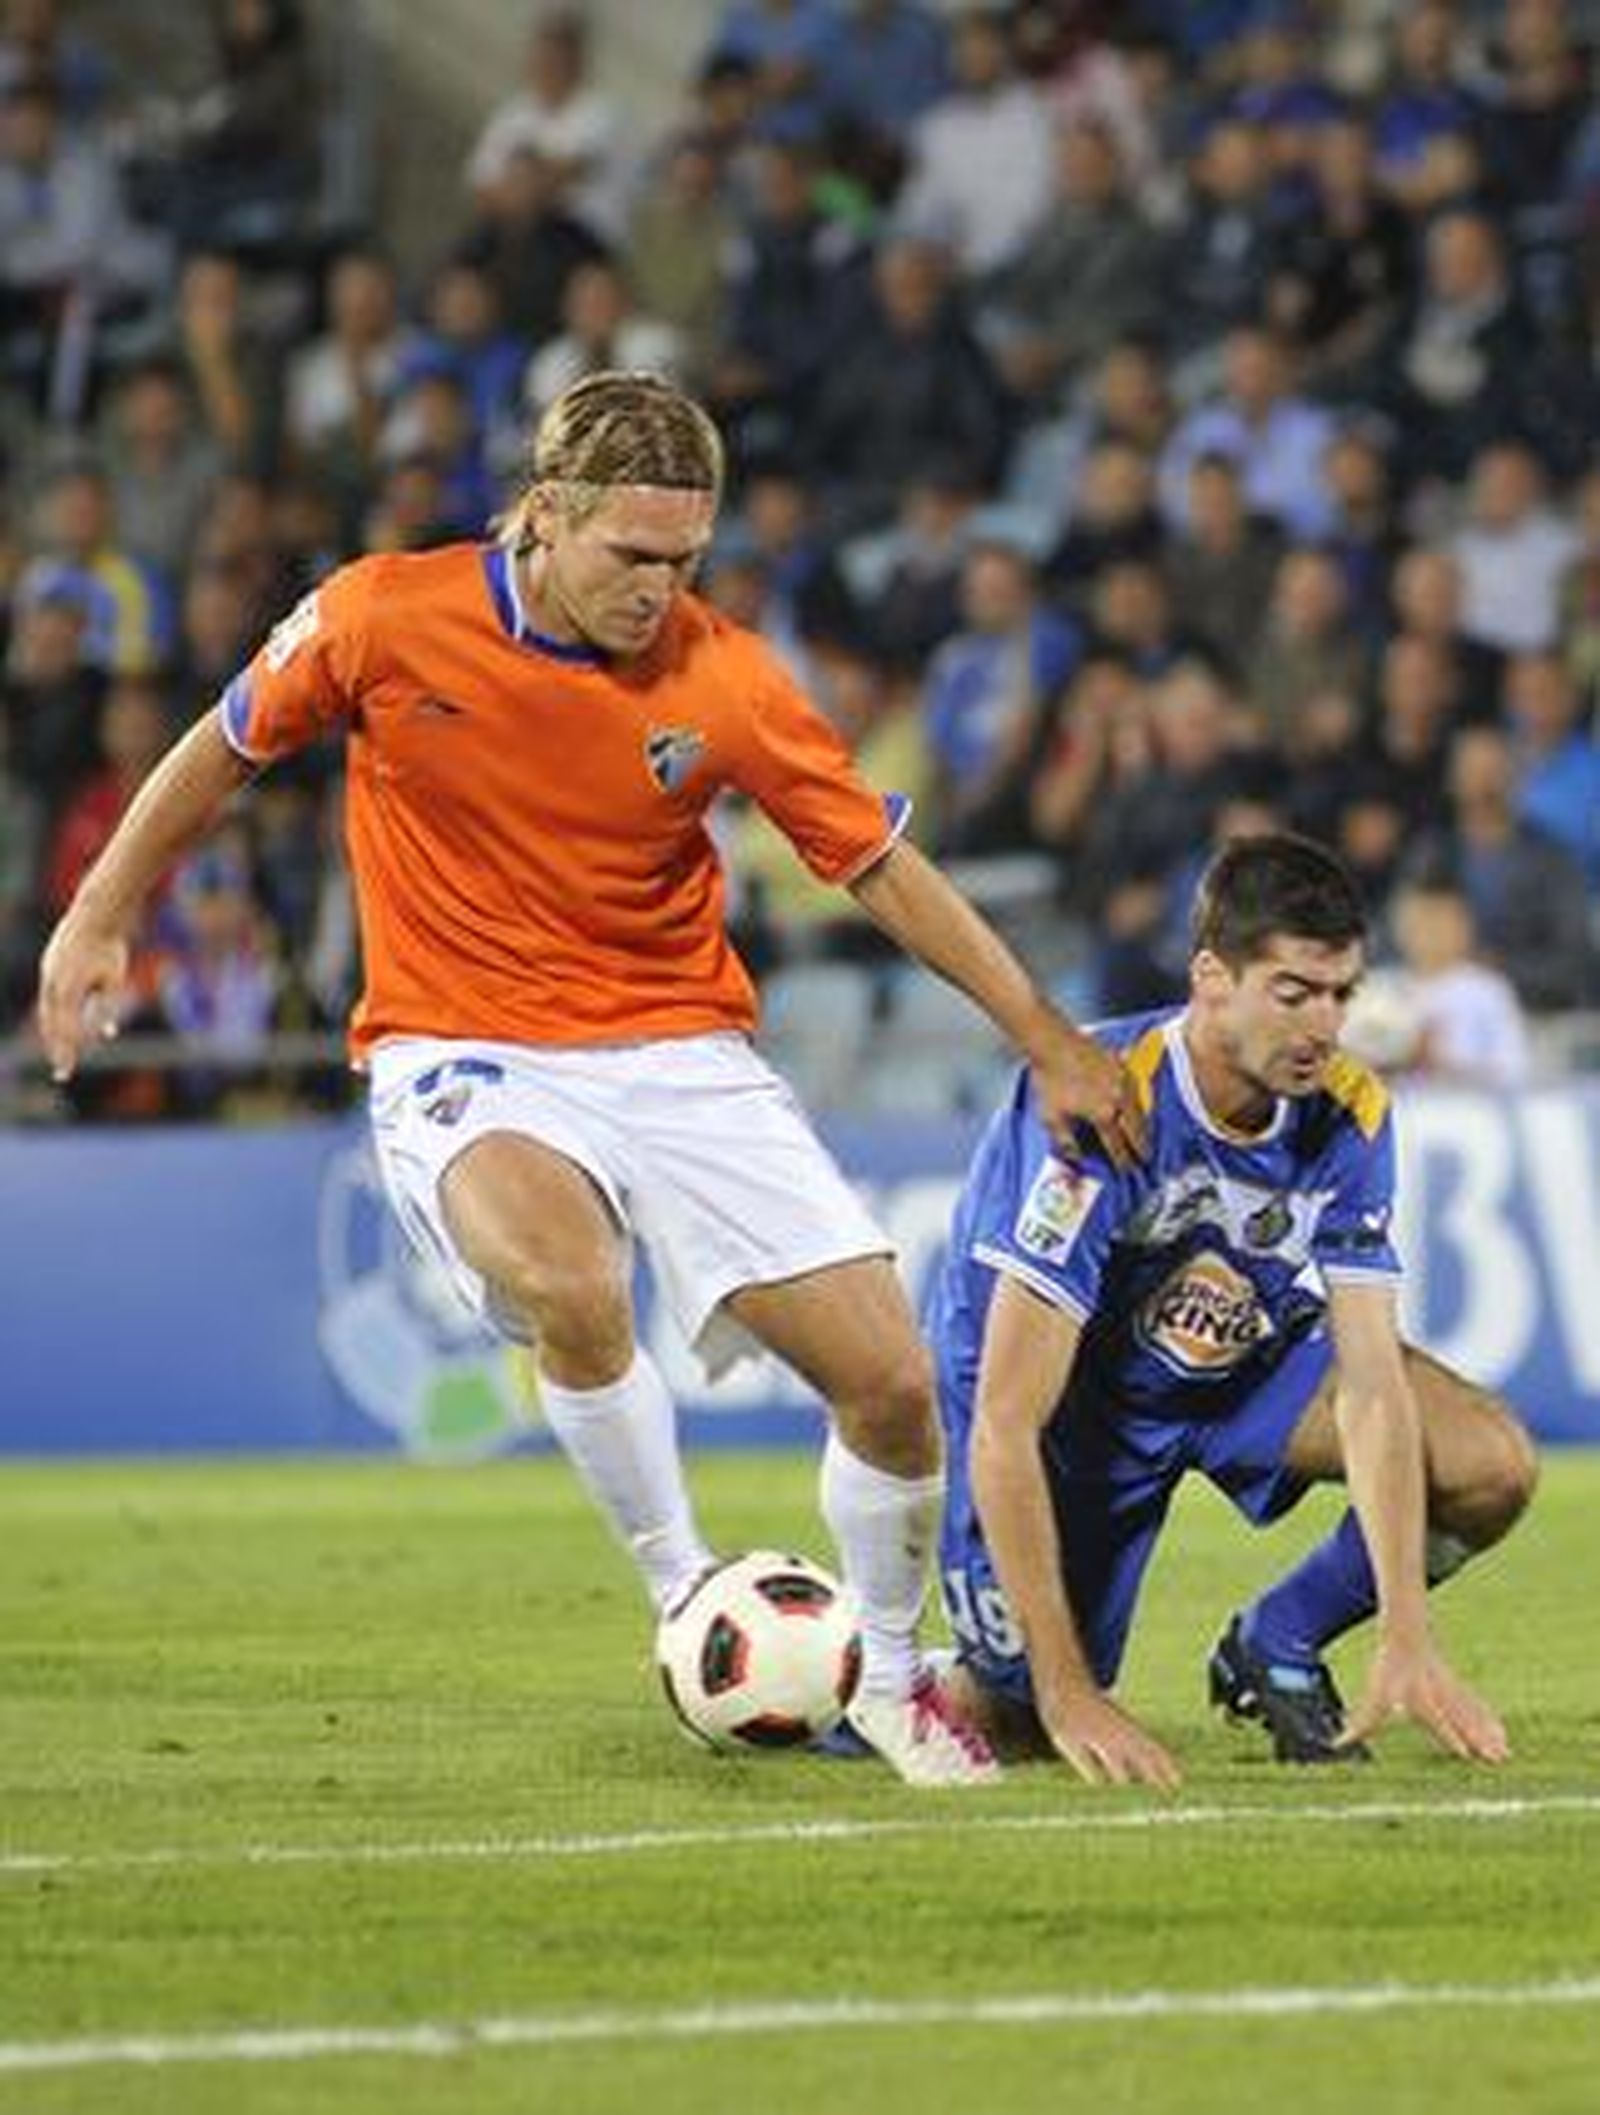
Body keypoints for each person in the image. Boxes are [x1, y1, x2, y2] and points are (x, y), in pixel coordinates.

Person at [36, 369, 1142, 1789]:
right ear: (545, 516)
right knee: (569, 1282)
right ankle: (687, 1589)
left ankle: (888, 1664)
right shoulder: (383, 613)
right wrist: (102, 909)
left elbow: (874, 864)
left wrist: (1045, 1031)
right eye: (635, 555)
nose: (661, 589)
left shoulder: (722, 674)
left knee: (892, 1382)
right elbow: (226, 742)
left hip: (678, 1047)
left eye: (688, 558)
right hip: (462, 1044)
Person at [928, 831, 1537, 1786]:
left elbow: (1373, 1384)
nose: (1323, 1027)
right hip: (1069, 1402)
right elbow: (1005, 1419)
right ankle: (866, 1667)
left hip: (1225, 1358)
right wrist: (1066, 1689)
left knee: (1488, 1462)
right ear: (1212, 976)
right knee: (1015, 1720)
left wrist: (1407, 1634)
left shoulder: (1351, 1109)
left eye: (1342, 993)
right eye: (1293, 993)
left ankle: (1279, 1638)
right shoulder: (1103, 1099)